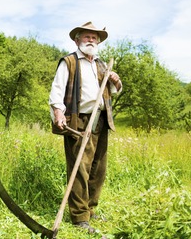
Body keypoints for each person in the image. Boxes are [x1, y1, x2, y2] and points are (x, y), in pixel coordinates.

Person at [49, 21, 122, 233]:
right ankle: (79, 217)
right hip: (79, 120)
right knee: (80, 168)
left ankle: (90, 209)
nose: (91, 41)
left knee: (98, 168)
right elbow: (57, 90)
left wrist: (115, 79)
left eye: (94, 38)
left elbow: (115, 89)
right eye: (87, 37)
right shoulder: (69, 62)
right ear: (77, 40)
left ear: (98, 42)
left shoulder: (100, 64)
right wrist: (58, 113)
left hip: (100, 119)